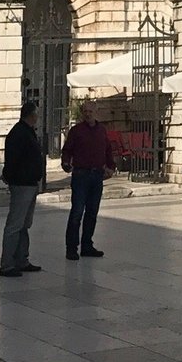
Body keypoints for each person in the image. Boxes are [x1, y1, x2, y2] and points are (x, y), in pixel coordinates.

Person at [60, 100, 114, 260]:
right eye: (85, 111)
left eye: (90, 111)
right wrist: (65, 162)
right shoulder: (76, 131)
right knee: (77, 212)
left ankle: (87, 245)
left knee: (92, 212)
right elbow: (67, 150)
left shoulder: (102, 130)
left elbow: (108, 150)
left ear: (95, 112)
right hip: (81, 175)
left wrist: (111, 166)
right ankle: (71, 248)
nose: (88, 114)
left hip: (97, 175)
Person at [0, 101, 45, 278]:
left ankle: (21, 259)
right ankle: (7, 264)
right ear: (32, 115)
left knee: (25, 224)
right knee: (15, 224)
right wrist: (9, 176)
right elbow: (12, 160)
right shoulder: (19, 133)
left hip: (30, 183)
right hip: (22, 184)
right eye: (37, 114)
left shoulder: (27, 132)